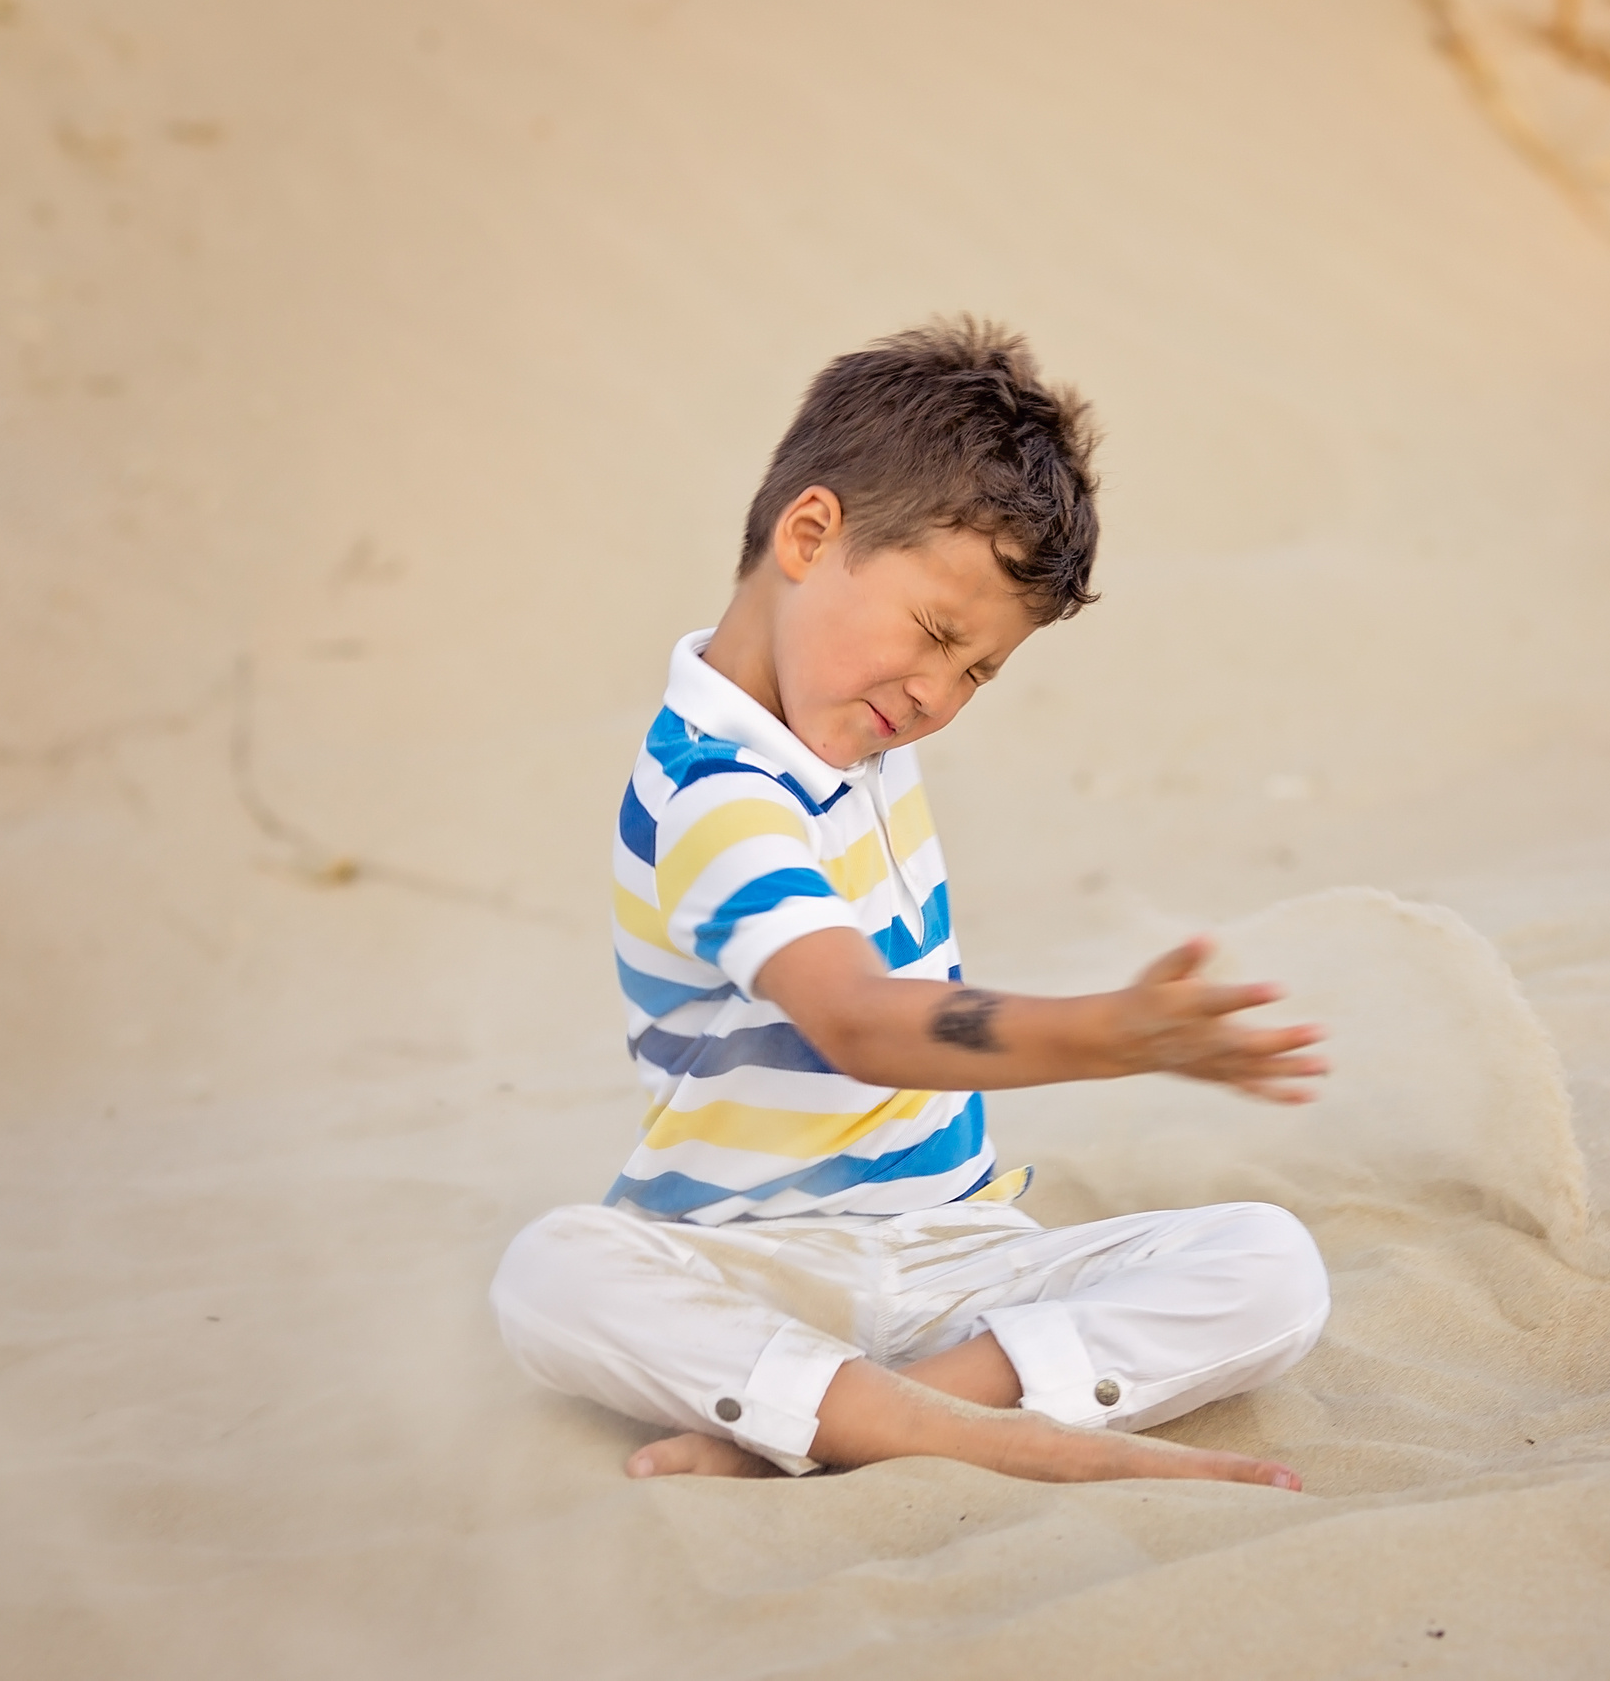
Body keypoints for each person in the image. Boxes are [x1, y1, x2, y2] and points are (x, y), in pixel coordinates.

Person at [489, 319, 1332, 1488]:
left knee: (1269, 1262)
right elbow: (856, 1017)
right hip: (751, 1265)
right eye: (933, 632)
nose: (937, 692)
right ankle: (1000, 1429)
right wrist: (1107, 1032)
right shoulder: (709, 794)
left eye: (979, 669)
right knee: (551, 1273)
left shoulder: (852, 724)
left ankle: (859, 1424)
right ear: (809, 532)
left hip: (956, 1257)